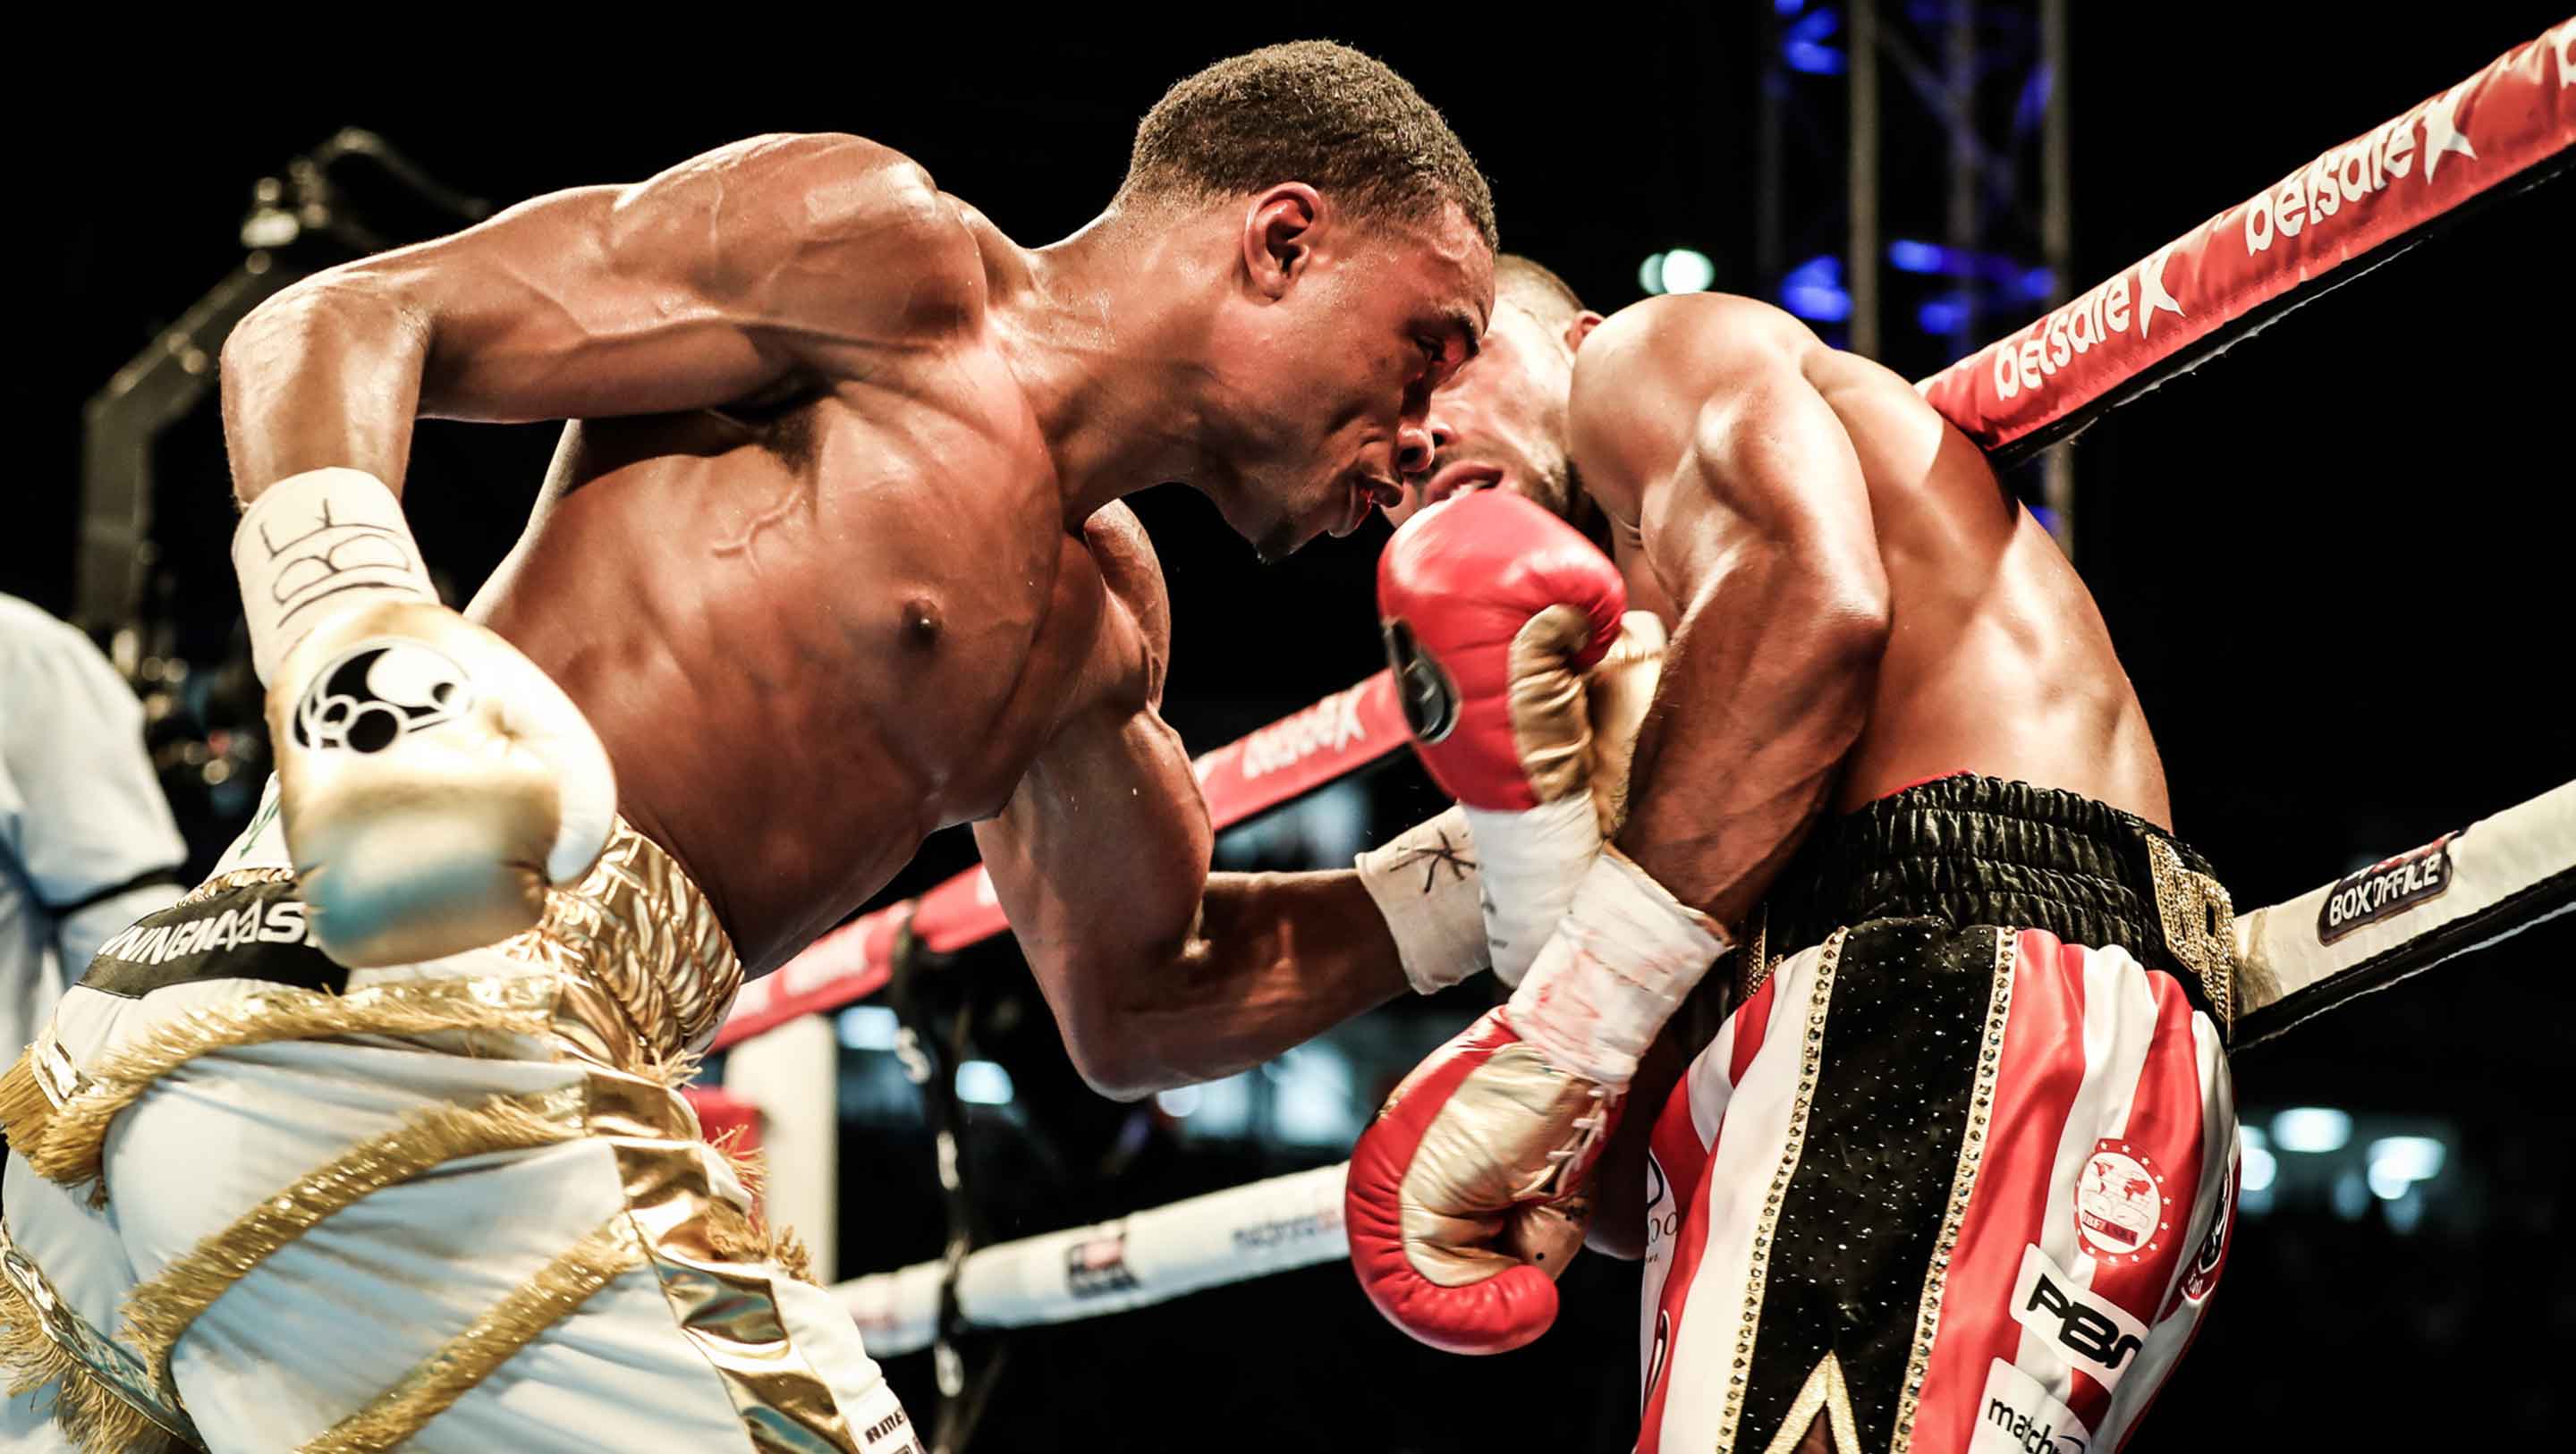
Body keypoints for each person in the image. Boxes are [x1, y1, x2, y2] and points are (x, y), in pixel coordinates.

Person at [0, 43, 1504, 1454]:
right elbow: (342, 317)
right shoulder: (879, 260)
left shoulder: (1100, 635)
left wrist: (1484, 877)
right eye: (1428, 347)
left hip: (179, 1080)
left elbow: (1145, 998)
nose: (1431, 429)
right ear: (1284, 238)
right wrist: (355, 640)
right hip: (426, 1045)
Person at [1347, 258, 2238, 1454]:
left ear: (1576, 337)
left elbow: (1815, 598)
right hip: (1961, 1052)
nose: (1410, 439)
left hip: (1943, 991)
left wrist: (1560, 1033)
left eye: (1435, 366)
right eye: (1376, 449)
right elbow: (1637, 1182)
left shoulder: (1644, 363)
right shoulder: (1657, 785)